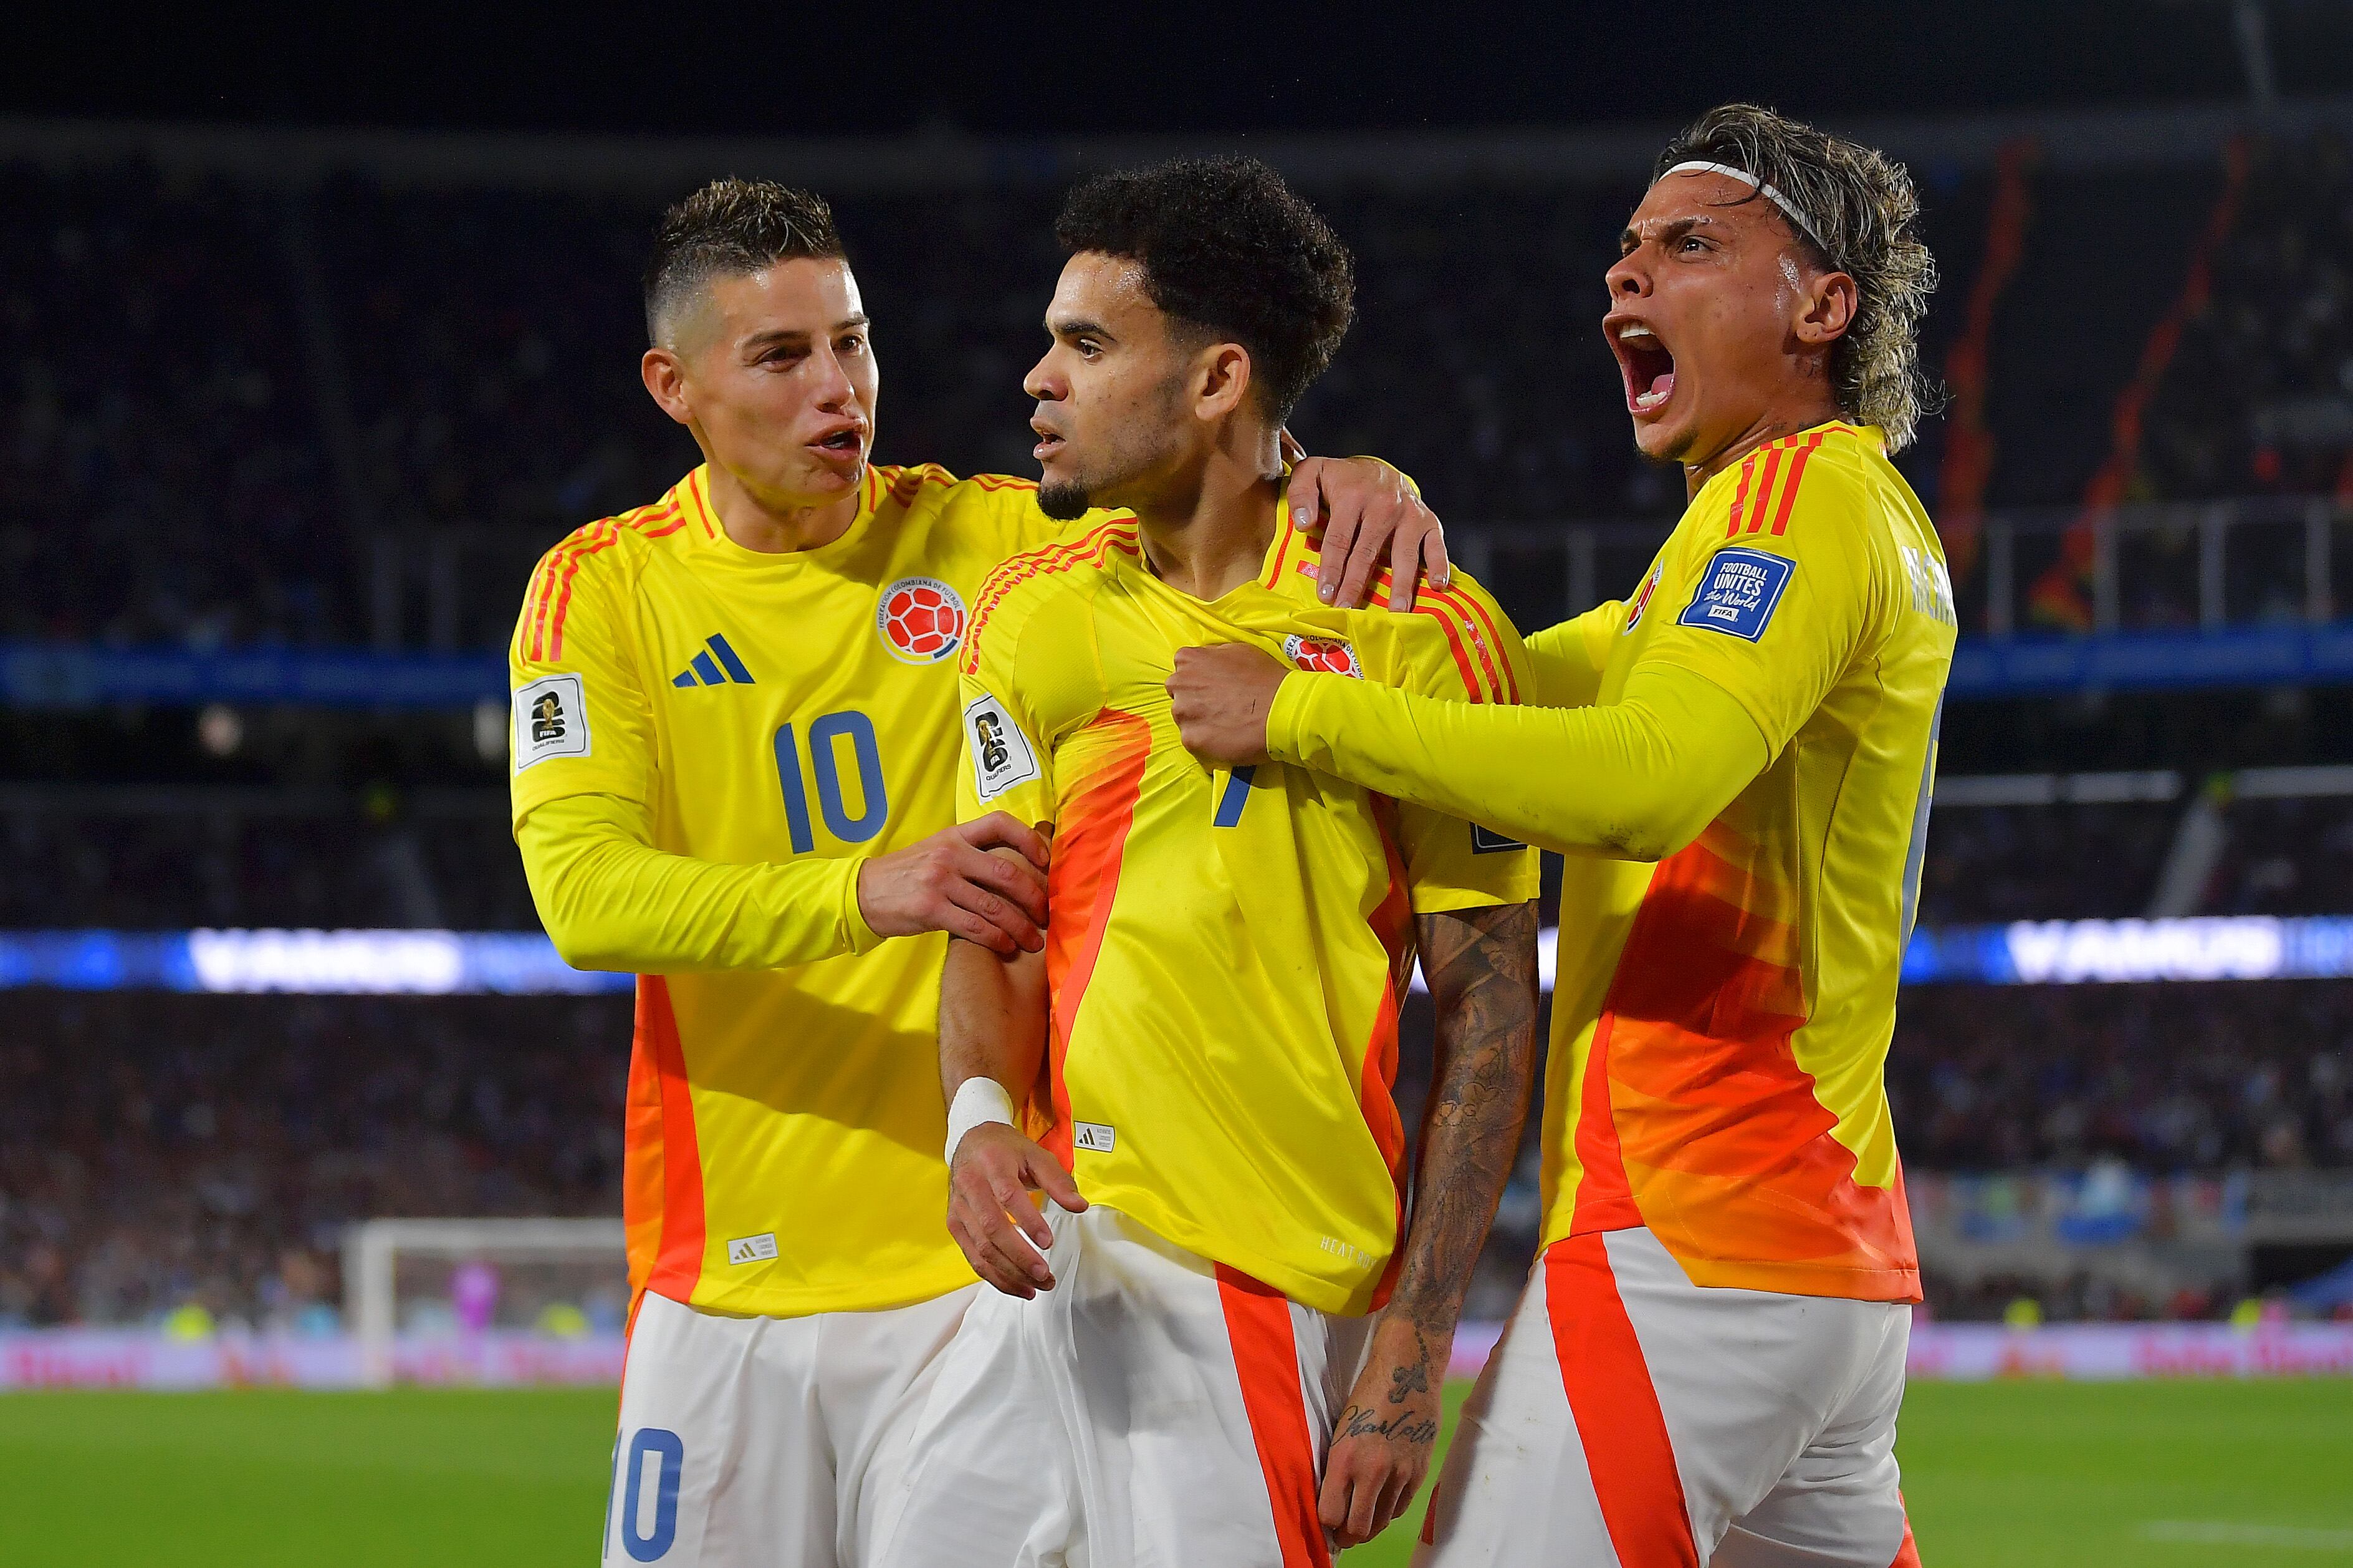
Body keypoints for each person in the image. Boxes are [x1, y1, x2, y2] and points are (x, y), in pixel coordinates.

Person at [505, 178, 1450, 1568]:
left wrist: (1342, 467)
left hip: (987, 1281)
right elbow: (587, 899)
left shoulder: (997, 538)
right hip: (728, 1284)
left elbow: (1214, 482)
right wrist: (871, 888)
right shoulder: (603, 592)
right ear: (675, 385)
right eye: (781, 358)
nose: (840, 389)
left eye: (853, 341)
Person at [1169, 104, 1950, 1567]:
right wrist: (1347, 493)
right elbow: (1496, 691)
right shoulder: (1740, 544)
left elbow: (1642, 781)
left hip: (1699, 1233)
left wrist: (1296, 717)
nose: (1624, 279)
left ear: (1823, 307)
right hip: (1807, 1250)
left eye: (1688, 246)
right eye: (1623, 251)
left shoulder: (1798, 497)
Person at [877, 156, 1541, 1568]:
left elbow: (1486, 1005)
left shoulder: (1424, 630)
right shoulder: (1031, 616)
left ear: (1217, 377)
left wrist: (1414, 1349)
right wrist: (978, 1117)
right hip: (1044, 1265)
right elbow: (996, 918)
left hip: (1252, 1280)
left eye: (1088, 344)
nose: (1036, 378)